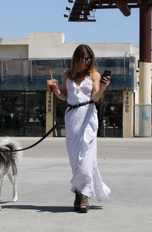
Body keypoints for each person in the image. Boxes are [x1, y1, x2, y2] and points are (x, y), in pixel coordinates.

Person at [48, 44, 111, 213]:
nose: (87, 62)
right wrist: (54, 91)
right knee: (76, 159)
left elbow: (96, 97)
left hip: (89, 115)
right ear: (77, 59)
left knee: (87, 158)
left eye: (90, 59)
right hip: (72, 118)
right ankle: (79, 193)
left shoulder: (94, 75)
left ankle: (83, 195)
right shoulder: (67, 74)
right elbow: (65, 96)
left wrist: (104, 87)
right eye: (84, 59)